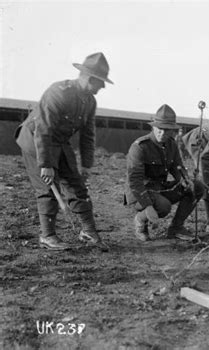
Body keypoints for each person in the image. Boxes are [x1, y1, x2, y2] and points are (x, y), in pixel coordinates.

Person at [15, 52, 113, 250]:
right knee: (47, 187)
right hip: (36, 140)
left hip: (59, 141)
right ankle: (47, 235)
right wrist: (46, 164)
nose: (102, 87)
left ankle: (88, 231)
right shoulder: (59, 92)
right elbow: (43, 129)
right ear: (88, 78)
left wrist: (86, 165)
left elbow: (87, 135)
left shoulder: (90, 102)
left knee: (77, 186)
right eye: (100, 82)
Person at [125, 104, 205, 241]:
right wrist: (148, 206)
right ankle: (140, 220)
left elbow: (177, 166)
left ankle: (176, 228)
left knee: (197, 187)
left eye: (167, 130)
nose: (163, 133)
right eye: (160, 129)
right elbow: (135, 181)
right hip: (140, 192)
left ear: (172, 131)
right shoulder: (139, 147)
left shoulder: (171, 144)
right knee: (163, 207)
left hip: (159, 188)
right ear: (153, 127)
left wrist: (186, 180)